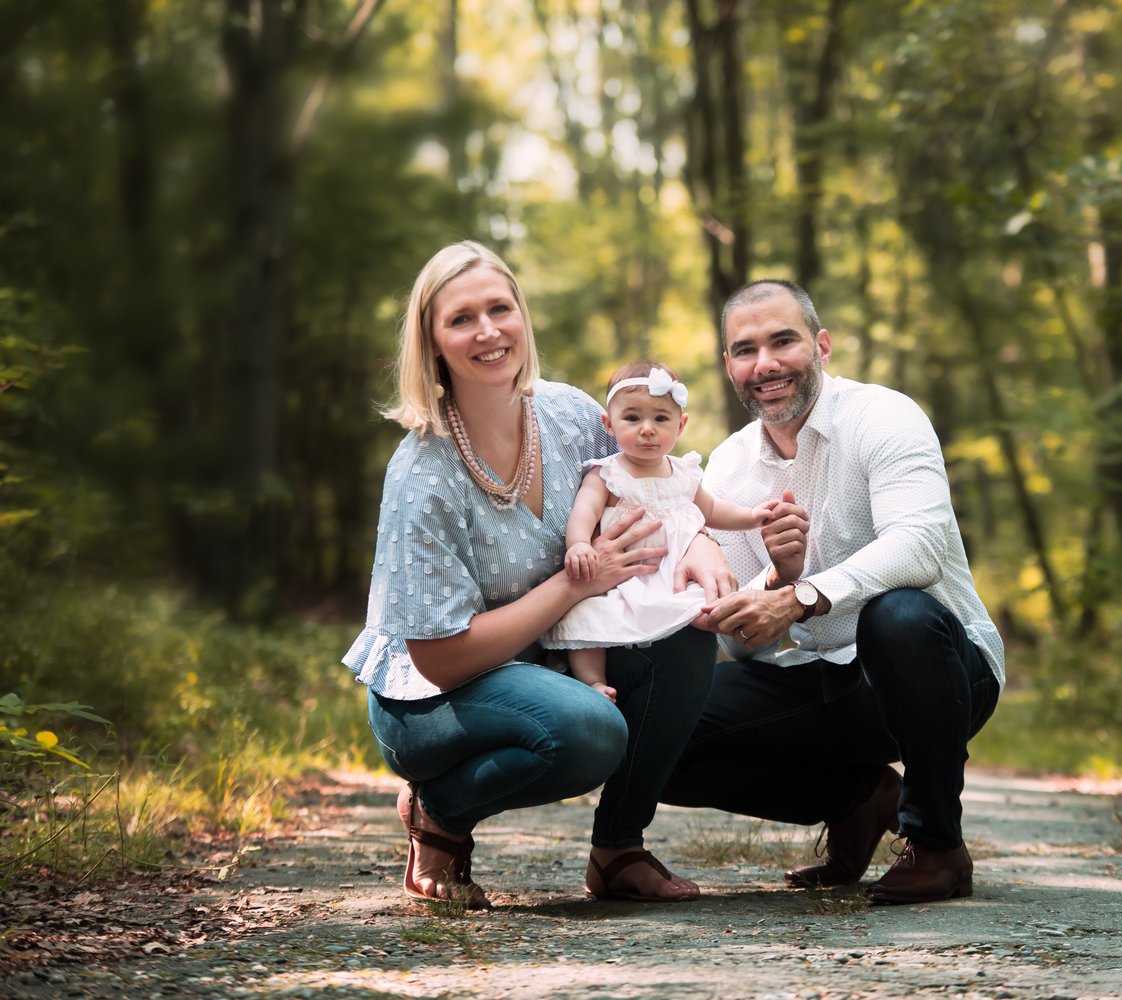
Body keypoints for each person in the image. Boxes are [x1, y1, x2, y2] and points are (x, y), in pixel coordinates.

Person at [342, 241, 736, 907]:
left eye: (501, 308)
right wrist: (574, 586)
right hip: (433, 700)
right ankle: (440, 811)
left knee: (687, 632)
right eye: (462, 318)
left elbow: (656, 486)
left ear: (523, 317)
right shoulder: (422, 475)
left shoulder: (573, 414)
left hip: (546, 658)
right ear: (433, 343)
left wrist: (700, 542)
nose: (489, 330)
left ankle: (619, 849)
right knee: (588, 730)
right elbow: (439, 660)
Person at [659, 279, 1005, 905]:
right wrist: (773, 582)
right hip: (813, 682)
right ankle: (862, 799)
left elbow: (921, 546)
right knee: (651, 724)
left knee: (898, 616)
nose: (765, 364)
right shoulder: (727, 469)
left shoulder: (884, 416)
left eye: (782, 341)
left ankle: (936, 844)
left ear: (820, 346)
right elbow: (742, 637)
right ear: (730, 366)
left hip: (938, 671)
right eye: (744, 350)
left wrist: (803, 596)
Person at [544, 360, 775, 702]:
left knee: (704, 603)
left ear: (680, 426)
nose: (647, 429)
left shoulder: (683, 473)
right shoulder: (607, 473)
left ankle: (729, 639)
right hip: (621, 577)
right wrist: (579, 544)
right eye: (633, 418)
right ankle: (593, 681)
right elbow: (585, 511)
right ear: (609, 424)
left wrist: (752, 516)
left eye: (661, 418)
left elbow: (711, 510)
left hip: (671, 575)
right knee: (588, 620)